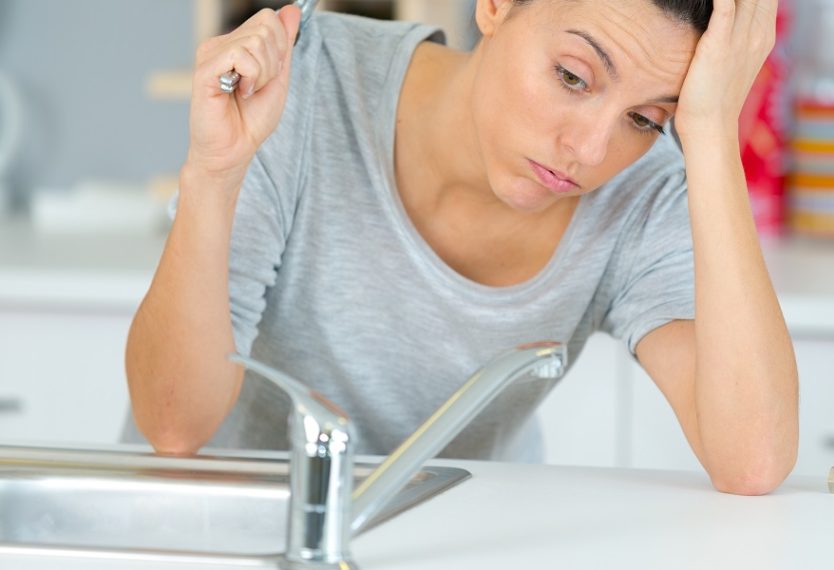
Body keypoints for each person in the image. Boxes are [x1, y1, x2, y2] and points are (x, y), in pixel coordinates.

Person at [124, 0, 798, 495]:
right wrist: (213, 175)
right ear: (496, 6)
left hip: (454, 533)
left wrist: (709, 130)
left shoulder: (639, 195)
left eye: (647, 119)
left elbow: (752, 459)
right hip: (229, 518)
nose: (592, 151)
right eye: (572, 76)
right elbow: (176, 426)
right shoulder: (304, 84)